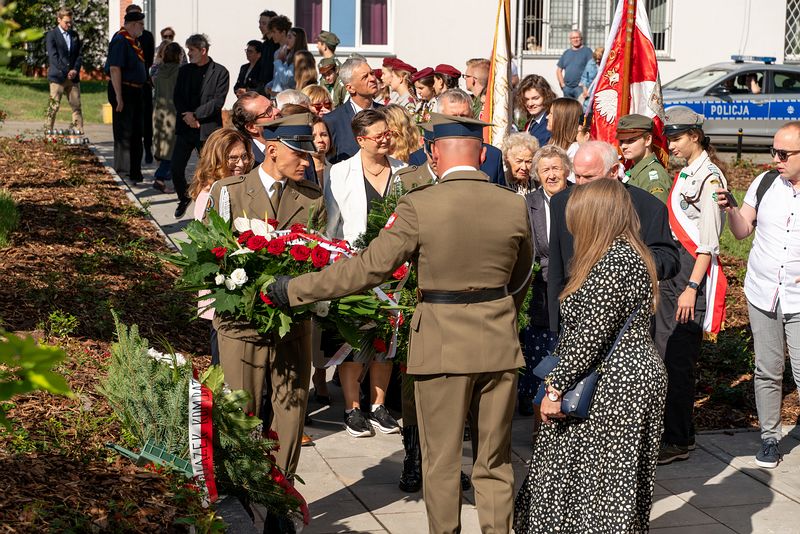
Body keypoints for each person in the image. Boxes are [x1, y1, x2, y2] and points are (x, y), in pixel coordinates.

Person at [266, 113, 533, 534]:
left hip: (441, 345)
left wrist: (295, 289)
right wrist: (498, 313)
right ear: (482, 154)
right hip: (498, 342)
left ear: (432, 153)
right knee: (494, 461)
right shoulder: (513, 204)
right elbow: (521, 276)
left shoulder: (420, 204)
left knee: (441, 461)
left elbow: (368, 269)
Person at [514, 178, 667, 533]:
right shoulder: (630, 254)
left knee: (592, 484)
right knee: (614, 481)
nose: (570, 221)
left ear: (593, 216)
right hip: (629, 377)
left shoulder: (612, 262)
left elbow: (590, 337)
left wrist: (554, 389)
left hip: (612, 385)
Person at [205, 113, 325, 486]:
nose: (308, 162)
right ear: (272, 150)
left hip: (292, 323)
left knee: (291, 409)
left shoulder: (313, 198)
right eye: (299, 155)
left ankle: (281, 491)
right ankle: (243, 487)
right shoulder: (229, 192)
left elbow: (319, 254)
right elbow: (212, 255)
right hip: (242, 324)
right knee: (243, 406)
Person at [716, 122, 800, 469]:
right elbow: (741, 232)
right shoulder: (765, 183)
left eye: (784, 154)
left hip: (798, 296)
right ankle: (769, 438)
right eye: (773, 151)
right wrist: (732, 210)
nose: (776, 159)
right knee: (767, 369)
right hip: (763, 291)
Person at [323, 109, 406, 438]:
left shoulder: (402, 172)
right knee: (353, 338)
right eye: (378, 135)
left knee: (388, 340)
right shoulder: (340, 172)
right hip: (354, 267)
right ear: (360, 140)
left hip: (395, 270)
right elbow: (331, 224)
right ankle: (352, 407)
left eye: (388, 133)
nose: (386, 139)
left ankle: (379, 405)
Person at [656, 106, 728, 465]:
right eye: (669, 138)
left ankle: (679, 439)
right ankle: (672, 432)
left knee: (680, 359)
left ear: (695, 136)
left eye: (677, 138)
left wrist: (691, 287)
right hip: (676, 272)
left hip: (691, 275)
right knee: (665, 354)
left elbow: (709, 243)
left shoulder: (710, 179)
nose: (671, 145)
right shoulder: (686, 172)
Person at [547, 141, 680, 333]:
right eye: (577, 176)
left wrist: (626, 262)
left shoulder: (647, 206)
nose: (581, 184)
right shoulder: (561, 203)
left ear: (613, 171)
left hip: (626, 326)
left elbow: (669, 260)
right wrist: (555, 327)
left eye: (589, 177)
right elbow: (556, 270)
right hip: (576, 320)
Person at [190, 128, 253, 364]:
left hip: (241, 286)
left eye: (244, 156)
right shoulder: (210, 194)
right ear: (217, 159)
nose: (241, 163)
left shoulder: (240, 185)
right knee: (224, 361)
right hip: (223, 289)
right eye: (233, 158)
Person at [517, 145, 570, 418]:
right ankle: (538, 411)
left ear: (567, 171)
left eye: (556, 168)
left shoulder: (578, 197)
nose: (551, 175)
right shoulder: (528, 204)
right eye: (545, 170)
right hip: (541, 287)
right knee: (541, 350)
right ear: (537, 174)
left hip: (574, 284)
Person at [171, 34, 230, 219]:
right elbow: (177, 97)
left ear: (203, 51)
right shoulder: (184, 71)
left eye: (192, 50)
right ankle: (184, 197)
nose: (188, 53)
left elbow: (217, 102)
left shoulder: (220, 72)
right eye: (188, 50)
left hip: (207, 130)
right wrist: (188, 116)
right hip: (186, 127)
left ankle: (212, 207)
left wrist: (196, 115)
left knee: (211, 170)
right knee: (175, 167)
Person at [408, 89, 506, 186]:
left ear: (472, 117)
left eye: (464, 116)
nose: (459, 122)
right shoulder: (420, 158)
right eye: (452, 117)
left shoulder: (492, 157)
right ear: (439, 118)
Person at [106, 10, 147, 184]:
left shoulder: (134, 42)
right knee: (124, 133)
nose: (143, 28)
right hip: (124, 90)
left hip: (137, 91)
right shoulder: (120, 40)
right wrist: (119, 97)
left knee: (137, 133)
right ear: (132, 24)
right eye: (141, 24)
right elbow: (115, 69)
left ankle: (135, 173)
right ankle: (123, 172)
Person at [323, 57, 381, 164]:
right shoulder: (332, 121)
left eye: (372, 73)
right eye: (365, 77)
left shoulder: (387, 113)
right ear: (350, 88)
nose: (372, 79)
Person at [616, 113, 672, 203]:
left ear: (648, 140)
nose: (624, 146)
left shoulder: (654, 180)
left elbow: (657, 215)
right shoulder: (636, 170)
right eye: (621, 141)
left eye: (631, 140)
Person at [124, 4, 155, 164]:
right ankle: (130, 152)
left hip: (143, 82)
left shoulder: (147, 36)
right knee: (131, 120)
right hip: (128, 84)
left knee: (146, 118)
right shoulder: (123, 37)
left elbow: (149, 59)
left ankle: (148, 147)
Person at [45, 7, 83, 132]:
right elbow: (53, 57)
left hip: (73, 78)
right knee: (53, 107)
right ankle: (47, 132)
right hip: (58, 77)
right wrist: (67, 71)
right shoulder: (52, 35)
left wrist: (75, 70)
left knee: (76, 106)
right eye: (66, 22)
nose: (69, 24)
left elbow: (79, 55)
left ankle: (78, 132)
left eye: (70, 22)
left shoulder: (74, 35)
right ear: (59, 20)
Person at [152, 42, 182, 193]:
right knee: (173, 149)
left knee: (162, 146)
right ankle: (160, 178)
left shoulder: (158, 71)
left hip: (159, 112)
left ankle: (167, 176)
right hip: (174, 112)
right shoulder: (180, 71)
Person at [231, 91, 280, 165]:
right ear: (252, 127)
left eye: (273, 105)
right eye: (268, 111)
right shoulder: (246, 161)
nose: (277, 111)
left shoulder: (293, 141)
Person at [516, 74, 557, 147]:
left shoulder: (549, 123)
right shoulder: (532, 120)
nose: (530, 103)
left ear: (546, 96)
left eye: (535, 98)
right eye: (526, 99)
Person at [556, 29, 593, 99]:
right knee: (568, 109)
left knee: (581, 109)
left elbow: (591, 70)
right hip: (567, 88)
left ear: (581, 38)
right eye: (573, 38)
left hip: (580, 88)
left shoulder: (587, 51)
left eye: (577, 37)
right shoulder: (566, 53)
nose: (575, 40)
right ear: (570, 40)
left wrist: (586, 85)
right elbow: (558, 70)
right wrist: (562, 84)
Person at [267, 19, 301, 94]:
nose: (272, 35)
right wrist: (269, 85)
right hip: (276, 98)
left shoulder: (294, 53)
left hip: (287, 99)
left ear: (283, 32)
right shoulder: (277, 52)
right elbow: (277, 77)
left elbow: (287, 79)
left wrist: (278, 61)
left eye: (274, 32)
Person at [257, 10, 279, 90]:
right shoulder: (264, 45)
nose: (260, 26)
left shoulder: (279, 45)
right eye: (260, 23)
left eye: (264, 23)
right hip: (264, 88)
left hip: (274, 88)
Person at [310, 115, 334, 188]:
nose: (320, 140)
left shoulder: (337, 170)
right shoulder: (301, 173)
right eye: (313, 137)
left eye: (324, 135)